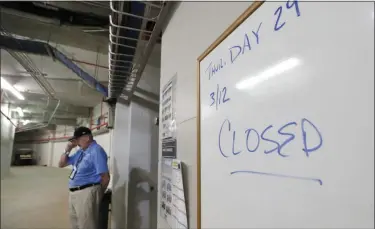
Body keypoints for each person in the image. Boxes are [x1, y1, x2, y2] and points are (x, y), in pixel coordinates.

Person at [58, 126, 110, 229]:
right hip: (74, 193)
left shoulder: (96, 151)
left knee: (87, 225)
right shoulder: (81, 152)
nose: (76, 143)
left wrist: (97, 194)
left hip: (87, 192)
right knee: (76, 224)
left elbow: (105, 177)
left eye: (77, 139)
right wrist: (67, 149)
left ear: (87, 138)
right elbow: (61, 164)